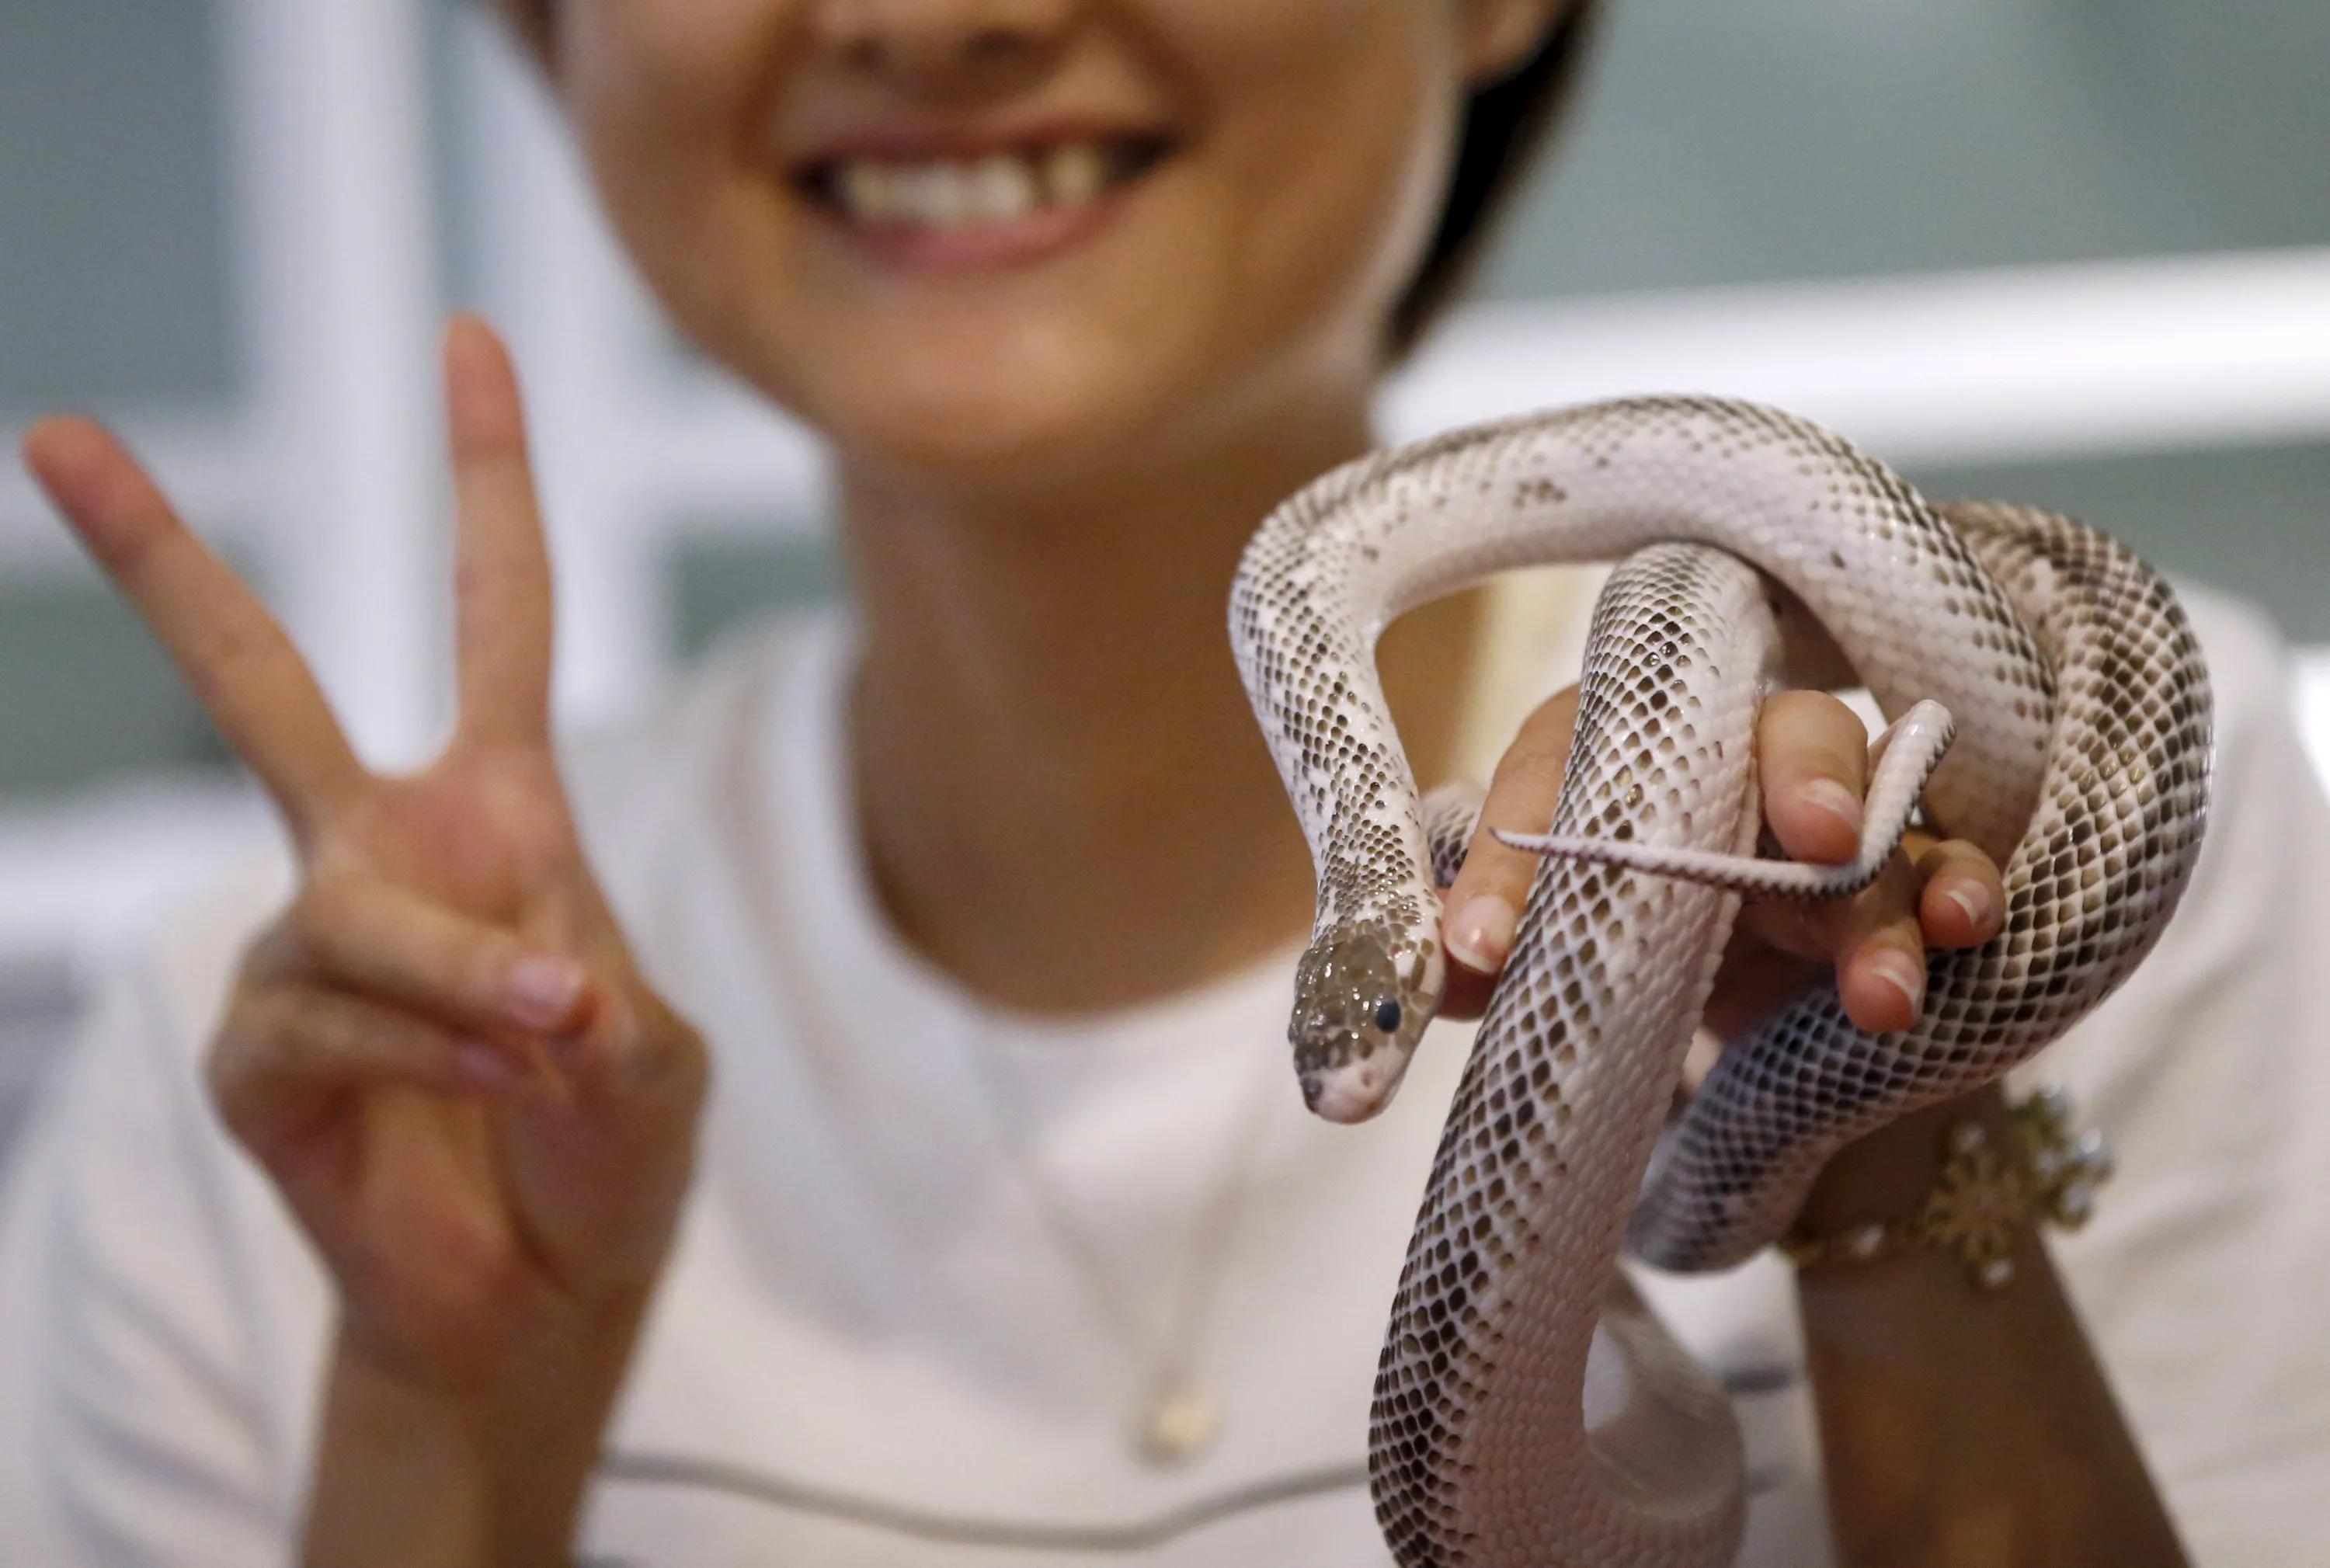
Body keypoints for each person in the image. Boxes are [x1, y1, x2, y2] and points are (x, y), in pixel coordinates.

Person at [2, 2, 2325, 1563]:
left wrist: (1867, 1118)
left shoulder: (2072, 806)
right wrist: (441, 1422)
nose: (935, 16)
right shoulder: (317, 1059)